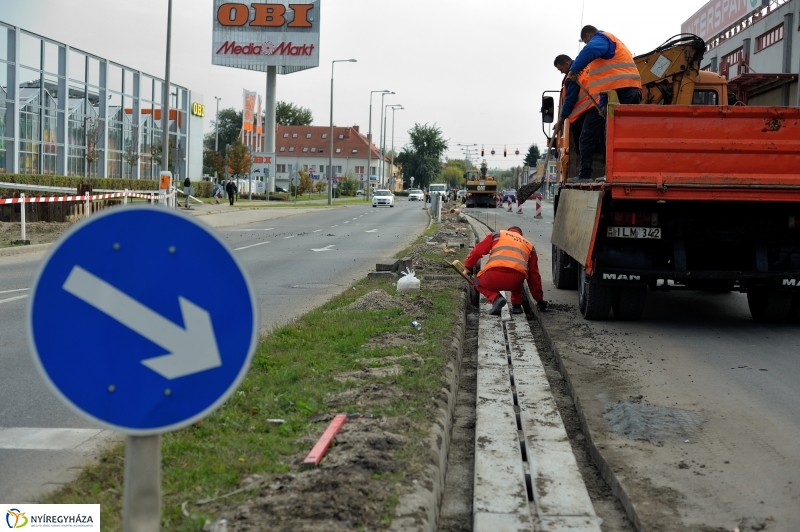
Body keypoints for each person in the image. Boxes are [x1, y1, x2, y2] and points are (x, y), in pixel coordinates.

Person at [566, 25, 642, 183]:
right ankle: (616, 173)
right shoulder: (612, 45)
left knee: (597, 136)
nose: (587, 44)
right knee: (616, 135)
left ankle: (587, 175)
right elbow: (606, 85)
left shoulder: (600, 39)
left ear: (588, 35)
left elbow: (590, 50)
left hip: (624, 90)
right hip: (626, 89)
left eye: (586, 41)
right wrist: (602, 106)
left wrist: (573, 70)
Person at [464, 226, 547, 316]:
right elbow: (534, 276)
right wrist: (539, 300)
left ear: (509, 231)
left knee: (476, 281)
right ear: (520, 235)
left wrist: (468, 266)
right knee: (519, 275)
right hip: (515, 280)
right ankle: (517, 306)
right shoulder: (529, 245)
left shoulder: (497, 235)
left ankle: (496, 298)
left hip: (493, 275)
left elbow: (477, 251)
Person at [552, 54, 591, 158]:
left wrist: (560, 122)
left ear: (567, 63)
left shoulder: (572, 76)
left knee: (583, 143)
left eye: (561, 69)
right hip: (596, 107)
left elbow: (569, 101)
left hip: (584, 113)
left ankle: (584, 173)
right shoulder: (585, 67)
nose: (561, 72)